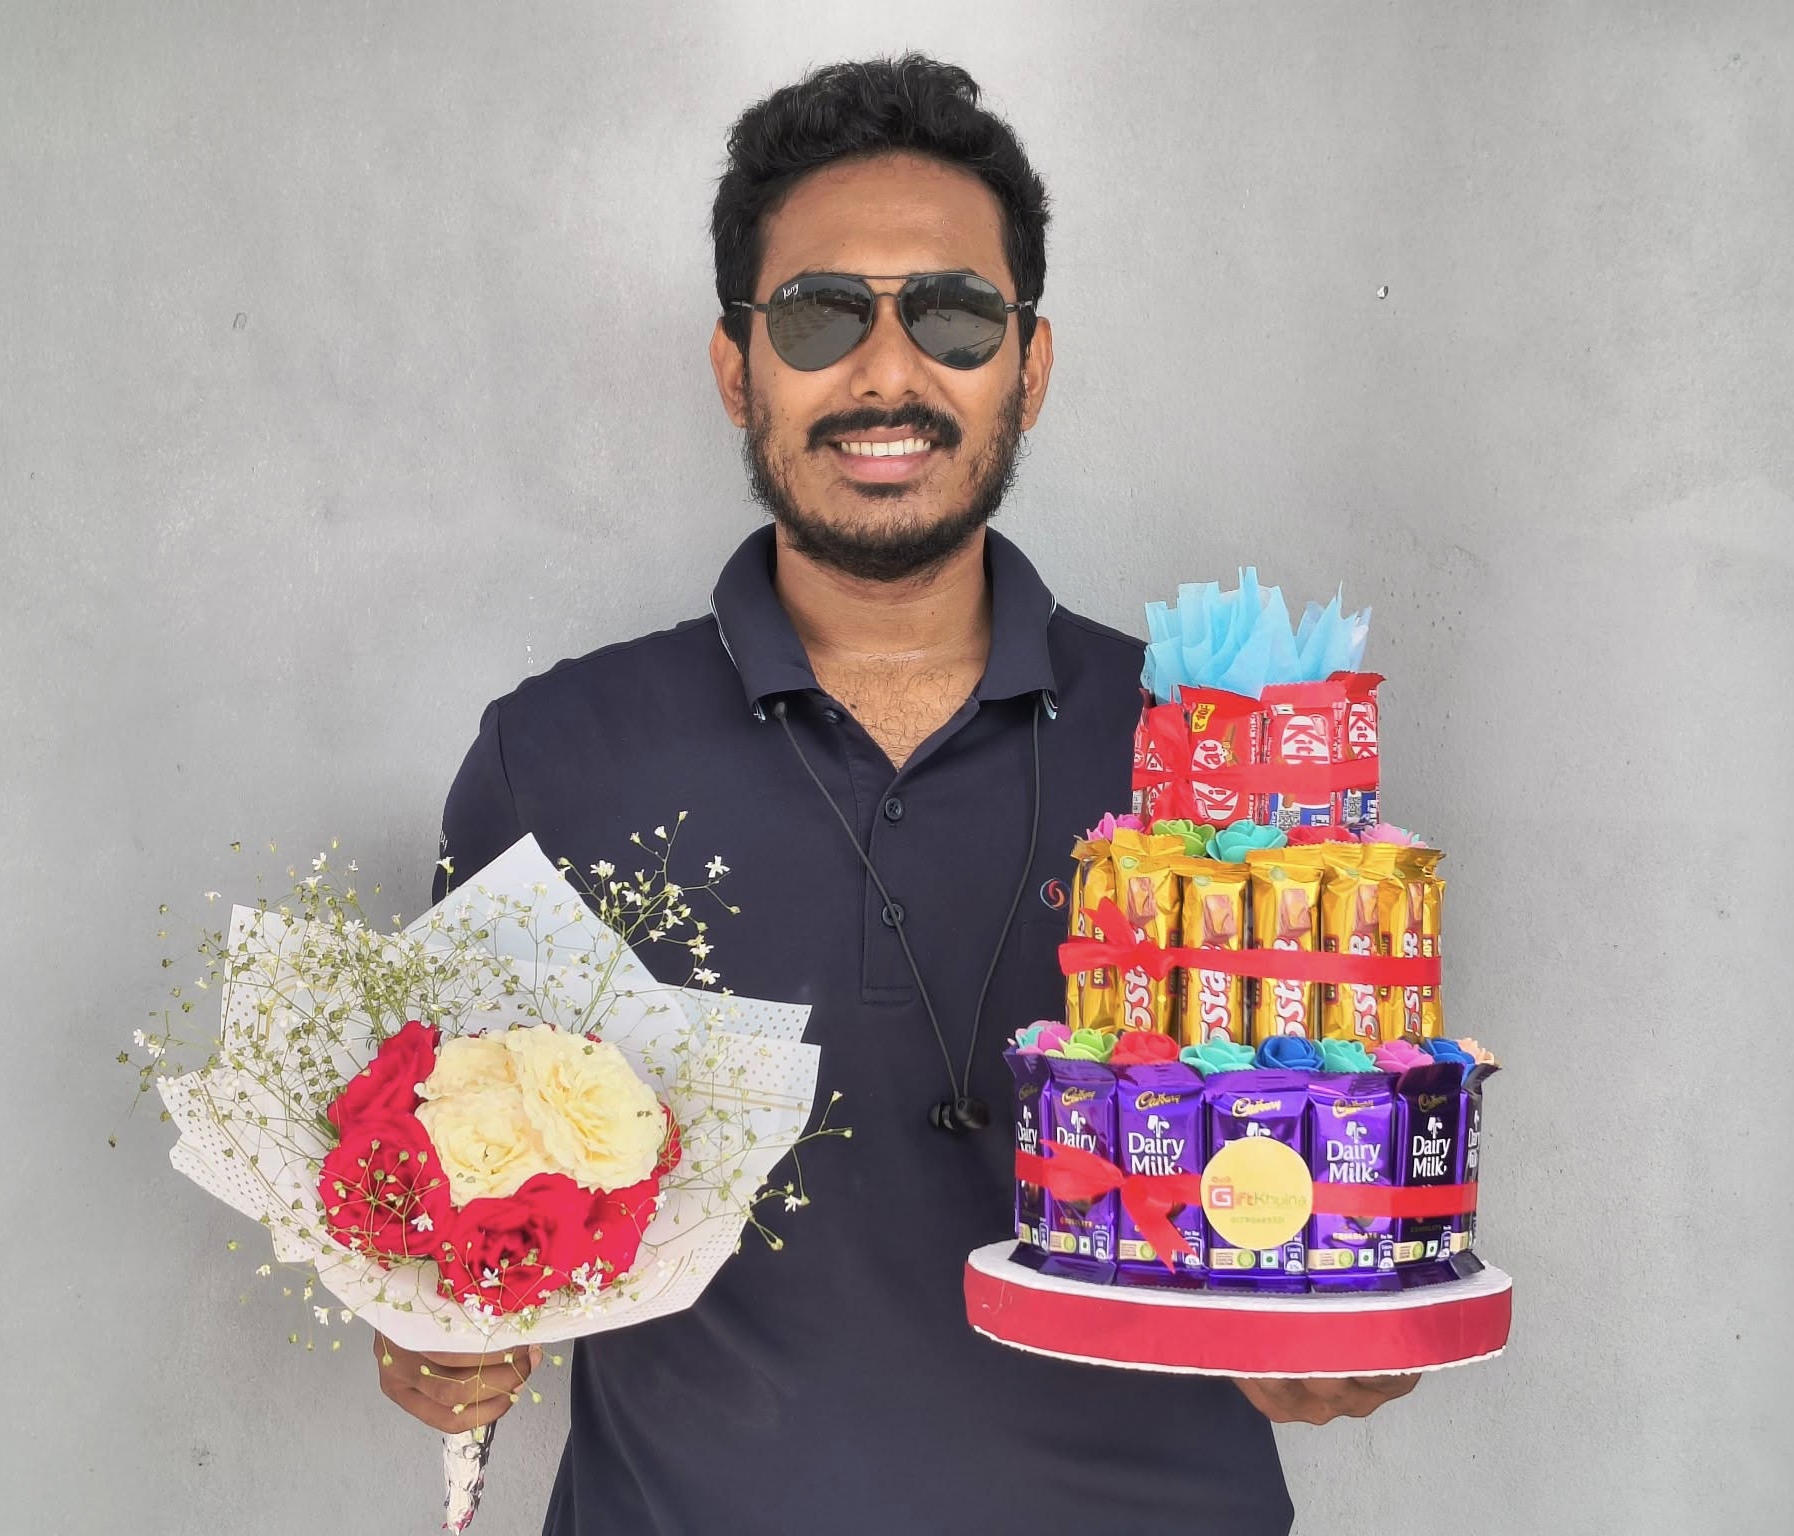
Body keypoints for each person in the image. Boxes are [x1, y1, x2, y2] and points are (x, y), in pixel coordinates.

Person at [378, 53, 1416, 1535]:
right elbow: (436, 1207)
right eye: (820, 314)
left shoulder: (1215, 755)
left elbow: (1340, 1144)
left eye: (951, 314)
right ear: (736, 367)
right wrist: (431, 1329)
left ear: (1028, 366)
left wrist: (1345, 1314)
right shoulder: (558, 756)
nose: (885, 374)